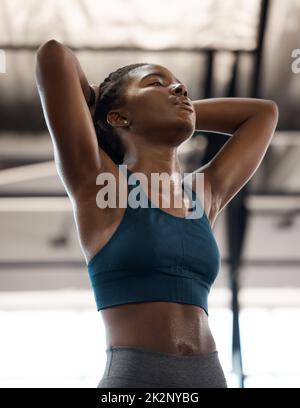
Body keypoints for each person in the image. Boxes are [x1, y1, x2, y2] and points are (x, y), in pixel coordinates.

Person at [35, 39, 279, 388]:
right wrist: (99, 107)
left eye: (179, 85)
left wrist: (178, 109)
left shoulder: (203, 194)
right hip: (136, 379)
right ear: (118, 116)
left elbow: (263, 112)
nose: (179, 88)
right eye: (155, 83)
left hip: (209, 378)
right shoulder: (100, 183)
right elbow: (53, 56)